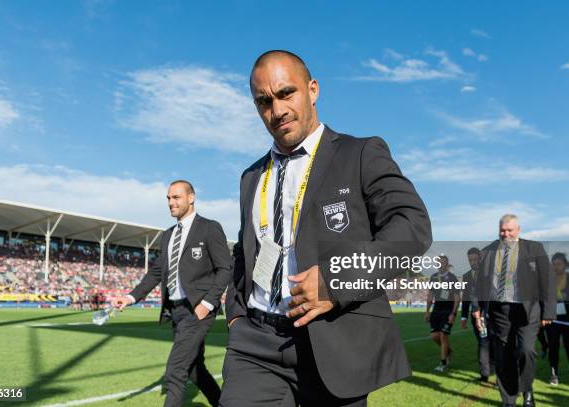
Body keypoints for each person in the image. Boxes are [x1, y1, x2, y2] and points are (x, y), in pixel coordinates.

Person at [220, 50, 432, 406]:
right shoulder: (251, 176)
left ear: (313, 90)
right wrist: (236, 314)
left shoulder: (361, 153)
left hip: (331, 340)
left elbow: (413, 226)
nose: (277, 110)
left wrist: (336, 280)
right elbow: (245, 249)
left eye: (287, 93)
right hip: (254, 343)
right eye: (264, 101)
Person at [111, 180, 231, 407]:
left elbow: (225, 268)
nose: (171, 203)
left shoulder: (209, 227)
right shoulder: (167, 235)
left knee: (175, 371)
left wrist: (207, 302)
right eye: (168, 198)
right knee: (195, 370)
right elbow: (156, 272)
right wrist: (130, 297)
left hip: (197, 310)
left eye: (176, 197)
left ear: (191, 198)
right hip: (176, 312)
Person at [471, 214, 556, 407]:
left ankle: (527, 389)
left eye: (510, 230)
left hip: (527, 311)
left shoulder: (534, 248)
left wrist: (548, 312)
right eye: (502, 230)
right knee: (504, 356)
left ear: (518, 230)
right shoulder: (488, 252)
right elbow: (479, 284)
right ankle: (508, 400)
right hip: (500, 312)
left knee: (526, 350)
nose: (506, 233)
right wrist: (476, 307)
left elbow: (548, 282)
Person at [461, 247, 493, 382]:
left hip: (490, 313)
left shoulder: (488, 273)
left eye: (475, 259)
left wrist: (485, 313)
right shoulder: (466, 276)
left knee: (494, 343)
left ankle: (497, 371)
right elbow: (466, 298)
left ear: (480, 258)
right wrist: (464, 316)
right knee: (482, 342)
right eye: (470, 260)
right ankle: (484, 373)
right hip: (475, 315)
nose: (472, 262)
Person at [425, 254, 460, 372]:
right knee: (434, 336)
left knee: (443, 336)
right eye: (439, 262)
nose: (440, 264)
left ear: (447, 264)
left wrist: (453, 313)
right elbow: (430, 295)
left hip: (448, 310)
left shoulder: (452, 278)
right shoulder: (433, 277)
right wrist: (427, 311)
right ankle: (449, 351)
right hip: (436, 310)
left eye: (443, 262)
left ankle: (443, 363)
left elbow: (457, 297)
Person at [545, 252, 569, 385]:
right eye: (553, 264)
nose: (556, 267)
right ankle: (554, 374)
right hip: (552, 320)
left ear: (565, 265)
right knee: (553, 347)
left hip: (567, 321)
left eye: (558, 264)